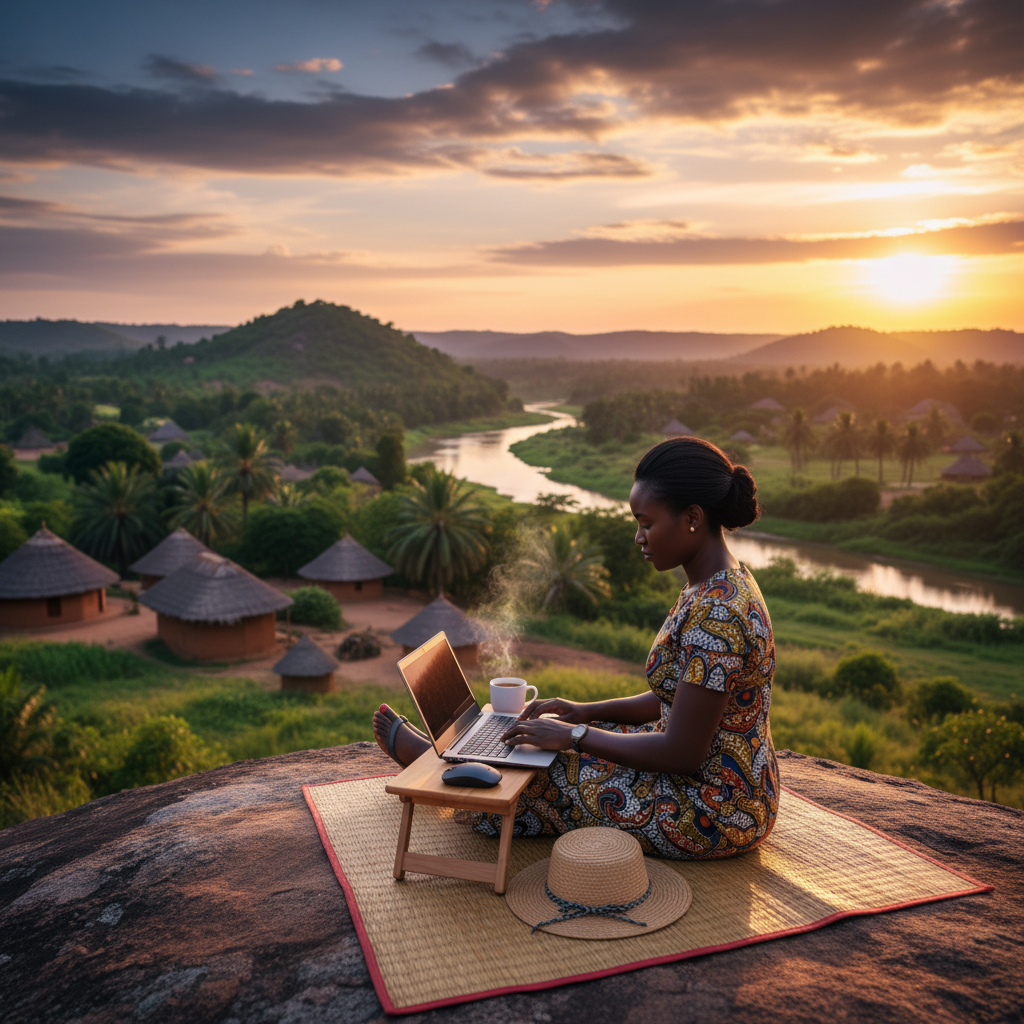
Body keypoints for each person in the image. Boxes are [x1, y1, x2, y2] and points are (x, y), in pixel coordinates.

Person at [373, 436, 779, 859]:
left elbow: (682, 752)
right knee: (577, 743)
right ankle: (458, 759)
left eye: (646, 522)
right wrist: (588, 712)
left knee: (547, 773)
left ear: (692, 517)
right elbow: (676, 698)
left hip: (714, 811)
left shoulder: (718, 614)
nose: (638, 537)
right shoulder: (716, 584)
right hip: (734, 787)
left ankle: (443, 769)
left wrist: (574, 736)